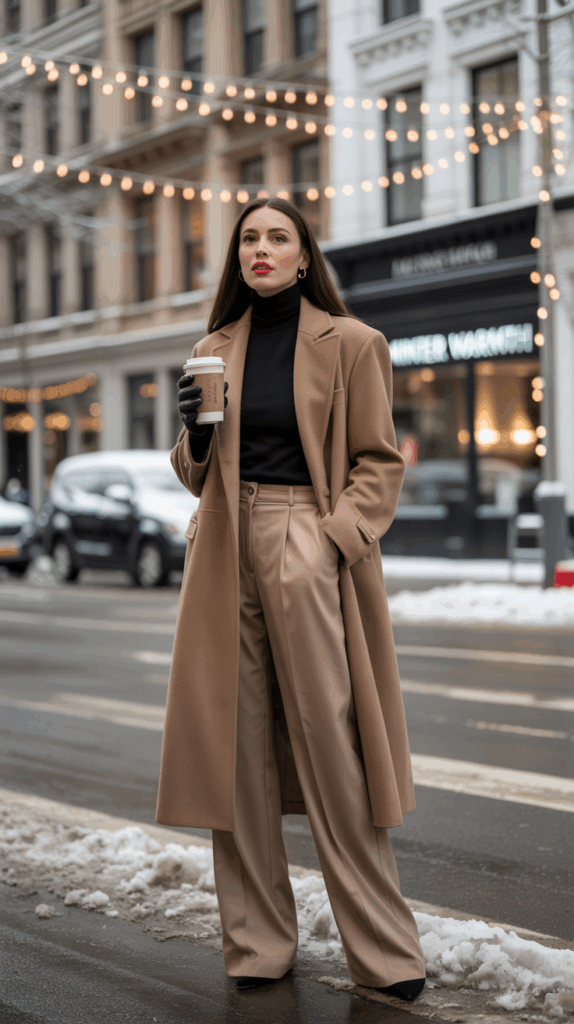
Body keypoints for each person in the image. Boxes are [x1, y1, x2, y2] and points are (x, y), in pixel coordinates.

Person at [155, 197, 426, 1001]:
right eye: (249, 238)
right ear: (236, 257)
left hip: (305, 534)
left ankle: (384, 951)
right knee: (234, 750)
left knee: (332, 744)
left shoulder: (353, 343)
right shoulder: (213, 347)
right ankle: (257, 944)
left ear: (306, 256)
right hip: (222, 545)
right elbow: (195, 473)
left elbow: (379, 462)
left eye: (278, 237)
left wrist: (332, 541)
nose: (261, 249)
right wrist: (196, 434)